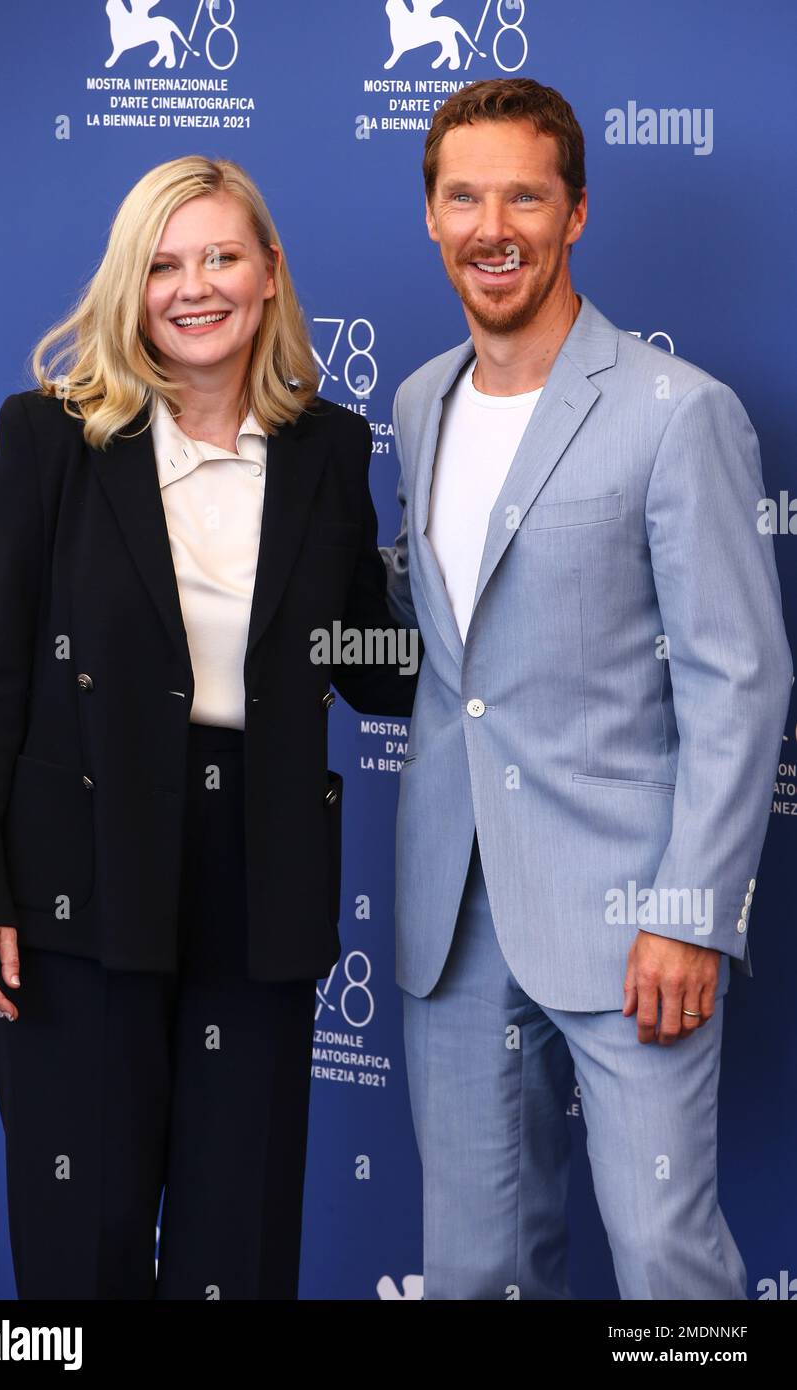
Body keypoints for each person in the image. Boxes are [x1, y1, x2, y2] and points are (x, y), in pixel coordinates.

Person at [0, 154, 418, 1300]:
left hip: (257, 872)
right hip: (79, 873)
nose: (191, 286)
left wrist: (468, 576)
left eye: (218, 256)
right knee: (82, 1234)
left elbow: (374, 670)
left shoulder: (330, 449)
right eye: (161, 264)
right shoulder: (53, 437)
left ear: (268, 274)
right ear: (129, 285)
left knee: (236, 1245)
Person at [380, 78, 791, 1299]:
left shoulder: (678, 414)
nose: (489, 224)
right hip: (450, 915)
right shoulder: (415, 404)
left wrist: (687, 908)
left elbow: (739, 672)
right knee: (472, 1269)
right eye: (462, 195)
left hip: (630, 914)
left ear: (573, 215)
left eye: (522, 194)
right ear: (431, 216)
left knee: (665, 1259)